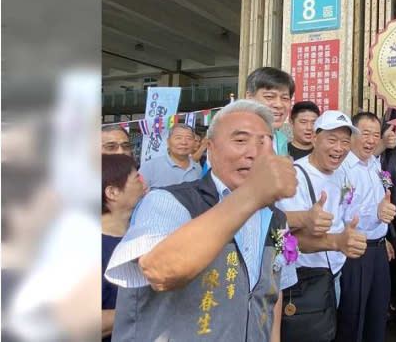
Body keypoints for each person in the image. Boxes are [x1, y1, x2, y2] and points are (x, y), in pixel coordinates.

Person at [105, 100, 299, 341]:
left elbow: (270, 298)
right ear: (210, 149)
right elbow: (160, 270)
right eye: (240, 140)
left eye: (263, 142)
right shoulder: (168, 201)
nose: (254, 152)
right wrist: (252, 194)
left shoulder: (275, 218)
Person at [277, 110, 369, 307]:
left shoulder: (341, 175)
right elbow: (288, 239)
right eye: (332, 139)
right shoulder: (295, 176)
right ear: (315, 139)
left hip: (335, 273)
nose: (339, 148)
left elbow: (346, 212)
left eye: (345, 142)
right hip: (305, 281)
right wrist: (336, 242)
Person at [334, 112, 396, 342]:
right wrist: (376, 214)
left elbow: (382, 199)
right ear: (352, 135)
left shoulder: (376, 165)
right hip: (354, 252)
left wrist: (385, 237)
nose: (371, 140)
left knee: (378, 313)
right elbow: (341, 212)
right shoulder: (342, 170)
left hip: (379, 250)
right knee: (353, 317)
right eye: (365, 134)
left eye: (375, 134)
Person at [102, 154, 146, 342]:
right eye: (136, 178)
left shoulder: (140, 235)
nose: (144, 182)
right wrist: (143, 307)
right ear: (112, 192)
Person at [245, 67, 295, 156]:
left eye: (285, 98)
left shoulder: (280, 139)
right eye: (269, 96)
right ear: (249, 97)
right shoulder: (232, 137)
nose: (279, 105)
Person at [138, 123, 202, 189]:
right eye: (178, 138)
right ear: (168, 142)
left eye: (189, 138)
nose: (184, 142)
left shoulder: (197, 168)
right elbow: (135, 196)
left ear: (194, 142)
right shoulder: (149, 167)